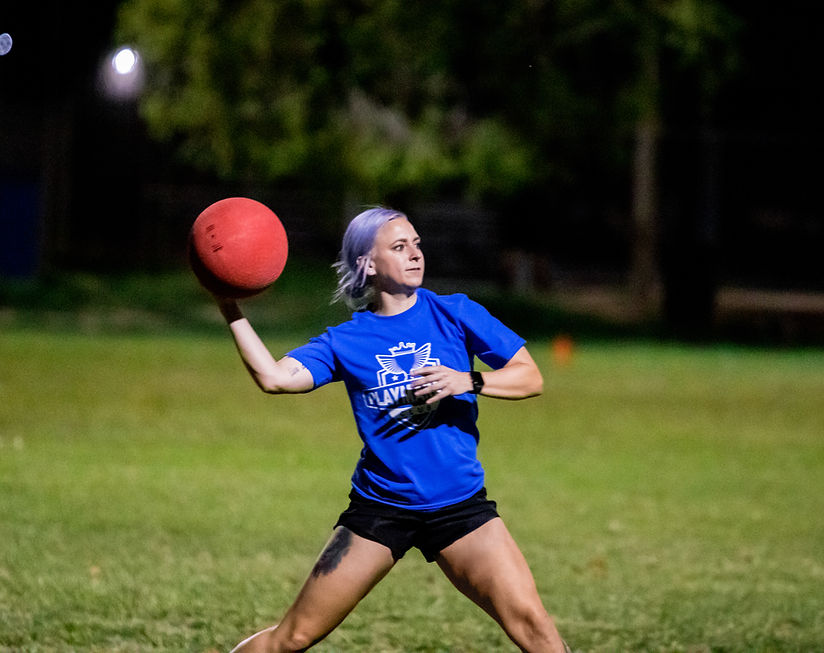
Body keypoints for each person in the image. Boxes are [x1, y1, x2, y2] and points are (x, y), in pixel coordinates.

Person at [217, 207, 569, 653]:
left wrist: (470, 380)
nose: (415, 254)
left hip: (459, 507)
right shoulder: (346, 340)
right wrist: (228, 304)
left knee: (534, 626)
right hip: (379, 510)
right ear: (368, 263)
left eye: (417, 244)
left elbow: (530, 377)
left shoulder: (455, 312)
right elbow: (274, 378)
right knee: (294, 636)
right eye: (399, 247)